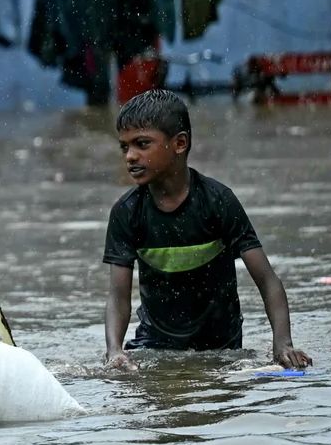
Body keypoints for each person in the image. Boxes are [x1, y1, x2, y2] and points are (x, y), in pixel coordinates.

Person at [102, 90, 312, 371]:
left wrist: (283, 344)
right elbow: (118, 296)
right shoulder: (126, 213)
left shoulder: (218, 202)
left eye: (142, 144)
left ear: (179, 143)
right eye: (124, 147)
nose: (130, 156)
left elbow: (267, 280)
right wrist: (114, 350)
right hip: (154, 349)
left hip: (222, 352)